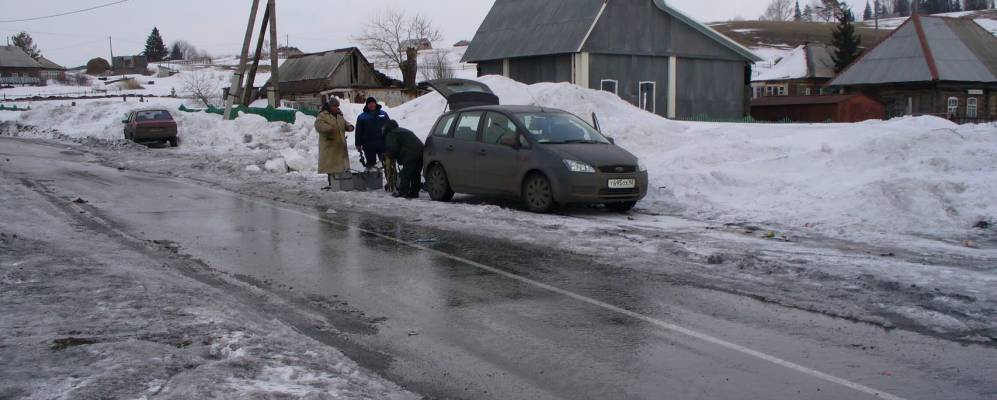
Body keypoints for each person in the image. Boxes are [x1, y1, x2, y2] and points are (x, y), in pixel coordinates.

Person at [314, 98, 354, 190]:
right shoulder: (323, 115)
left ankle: (339, 183)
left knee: (339, 165)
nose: (336, 108)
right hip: (329, 144)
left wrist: (349, 126)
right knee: (331, 166)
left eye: (337, 106)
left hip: (339, 144)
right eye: (334, 106)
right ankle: (331, 183)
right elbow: (318, 125)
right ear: (330, 106)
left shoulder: (339, 115)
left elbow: (344, 123)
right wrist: (328, 128)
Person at [383, 119, 424, 199]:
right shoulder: (404, 130)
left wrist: (388, 155)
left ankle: (403, 192)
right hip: (421, 152)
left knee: (405, 174)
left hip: (410, 154)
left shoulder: (392, 133)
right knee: (415, 174)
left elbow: (393, 148)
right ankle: (414, 192)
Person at [355, 97, 390, 171]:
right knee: (371, 164)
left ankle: (388, 177)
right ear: (367, 105)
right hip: (368, 145)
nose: (371, 105)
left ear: (375, 103)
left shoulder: (383, 114)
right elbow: (358, 131)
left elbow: (389, 126)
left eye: (373, 103)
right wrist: (358, 144)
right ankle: (371, 177)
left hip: (382, 144)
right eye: (369, 103)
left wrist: (390, 139)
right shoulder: (362, 117)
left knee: (385, 163)